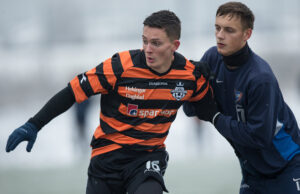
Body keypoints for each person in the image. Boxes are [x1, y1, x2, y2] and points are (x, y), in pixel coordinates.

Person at [6, 10, 212, 194]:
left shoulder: (190, 75)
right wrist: (34, 124)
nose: (147, 49)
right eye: (144, 41)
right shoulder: (119, 66)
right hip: (107, 157)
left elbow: (210, 107)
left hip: (147, 158)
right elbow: (72, 92)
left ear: (174, 46)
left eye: (156, 43)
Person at [183, 2, 300, 194]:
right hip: (252, 172)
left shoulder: (260, 78)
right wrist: (192, 85)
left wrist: (215, 117)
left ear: (247, 35)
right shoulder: (212, 58)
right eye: (217, 28)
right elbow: (192, 110)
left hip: (286, 168)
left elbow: (258, 136)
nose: (220, 35)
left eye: (229, 30)